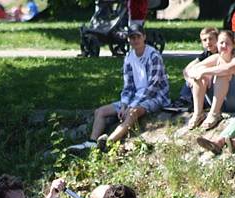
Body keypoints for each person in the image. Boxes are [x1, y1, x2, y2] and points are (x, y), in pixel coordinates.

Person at [67, 24, 170, 153]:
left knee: (132, 113)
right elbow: (128, 86)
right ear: (128, 39)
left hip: (156, 97)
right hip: (136, 97)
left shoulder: (153, 56)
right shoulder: (129, 57)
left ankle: (108, 143)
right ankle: (92, 142)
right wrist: (123, 105)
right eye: (132, 37)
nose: (135, 40)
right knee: (100, 112)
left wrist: (131, 106)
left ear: (144, 37)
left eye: (138, 36)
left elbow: (153, 87)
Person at [186, 30, 235, 130]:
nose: (224, 45)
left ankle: (214, 114)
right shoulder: (216, 58)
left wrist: (205, 72)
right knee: (201, 77)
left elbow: (227, 69)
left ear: (233, 45)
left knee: (221, 74)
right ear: (217, 44)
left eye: (228, 43)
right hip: (221, 102)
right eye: (221, 42)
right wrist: (199, 77)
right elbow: (191, 70)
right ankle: (198, 114)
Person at [173, 27, 219, 111]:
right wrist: (190, 80)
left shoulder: (221, 52)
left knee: (201, 72)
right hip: (204, 83)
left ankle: (197, 102)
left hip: (216, 84)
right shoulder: (206, 54)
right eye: (204, 40)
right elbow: (186, 69)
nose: (208, 42)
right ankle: (184, 99)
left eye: (210, 39)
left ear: (217, 39)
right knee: (193, 74)